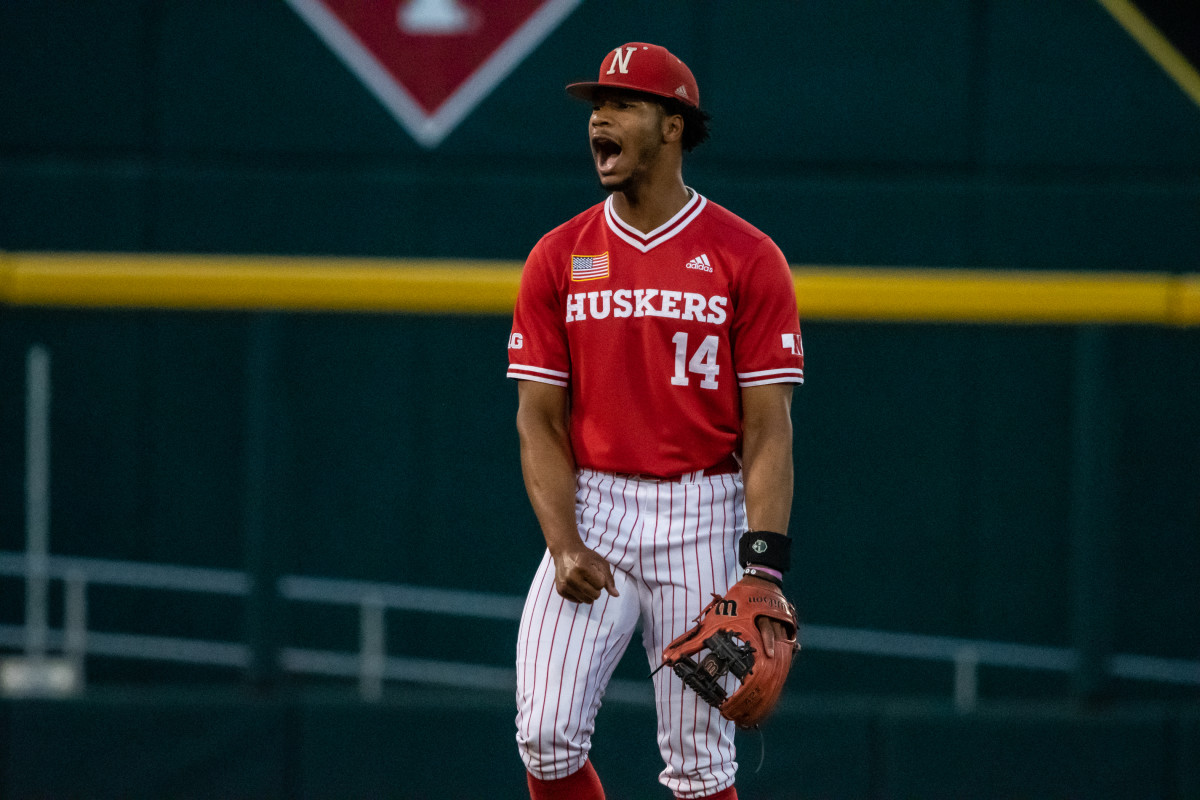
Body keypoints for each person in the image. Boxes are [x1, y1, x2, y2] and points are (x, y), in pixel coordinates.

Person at [507, 42, 804, 800]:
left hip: (704, 510)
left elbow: (768, 429)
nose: (598, 119)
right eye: (594, 106)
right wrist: (562, 539)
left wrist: (762, 569)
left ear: (673, 124)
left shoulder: (747, 256)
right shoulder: (559, 256)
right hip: (596, 505)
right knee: (544, 735)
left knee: (701, 768)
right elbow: (537, 420)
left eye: (622, 103)